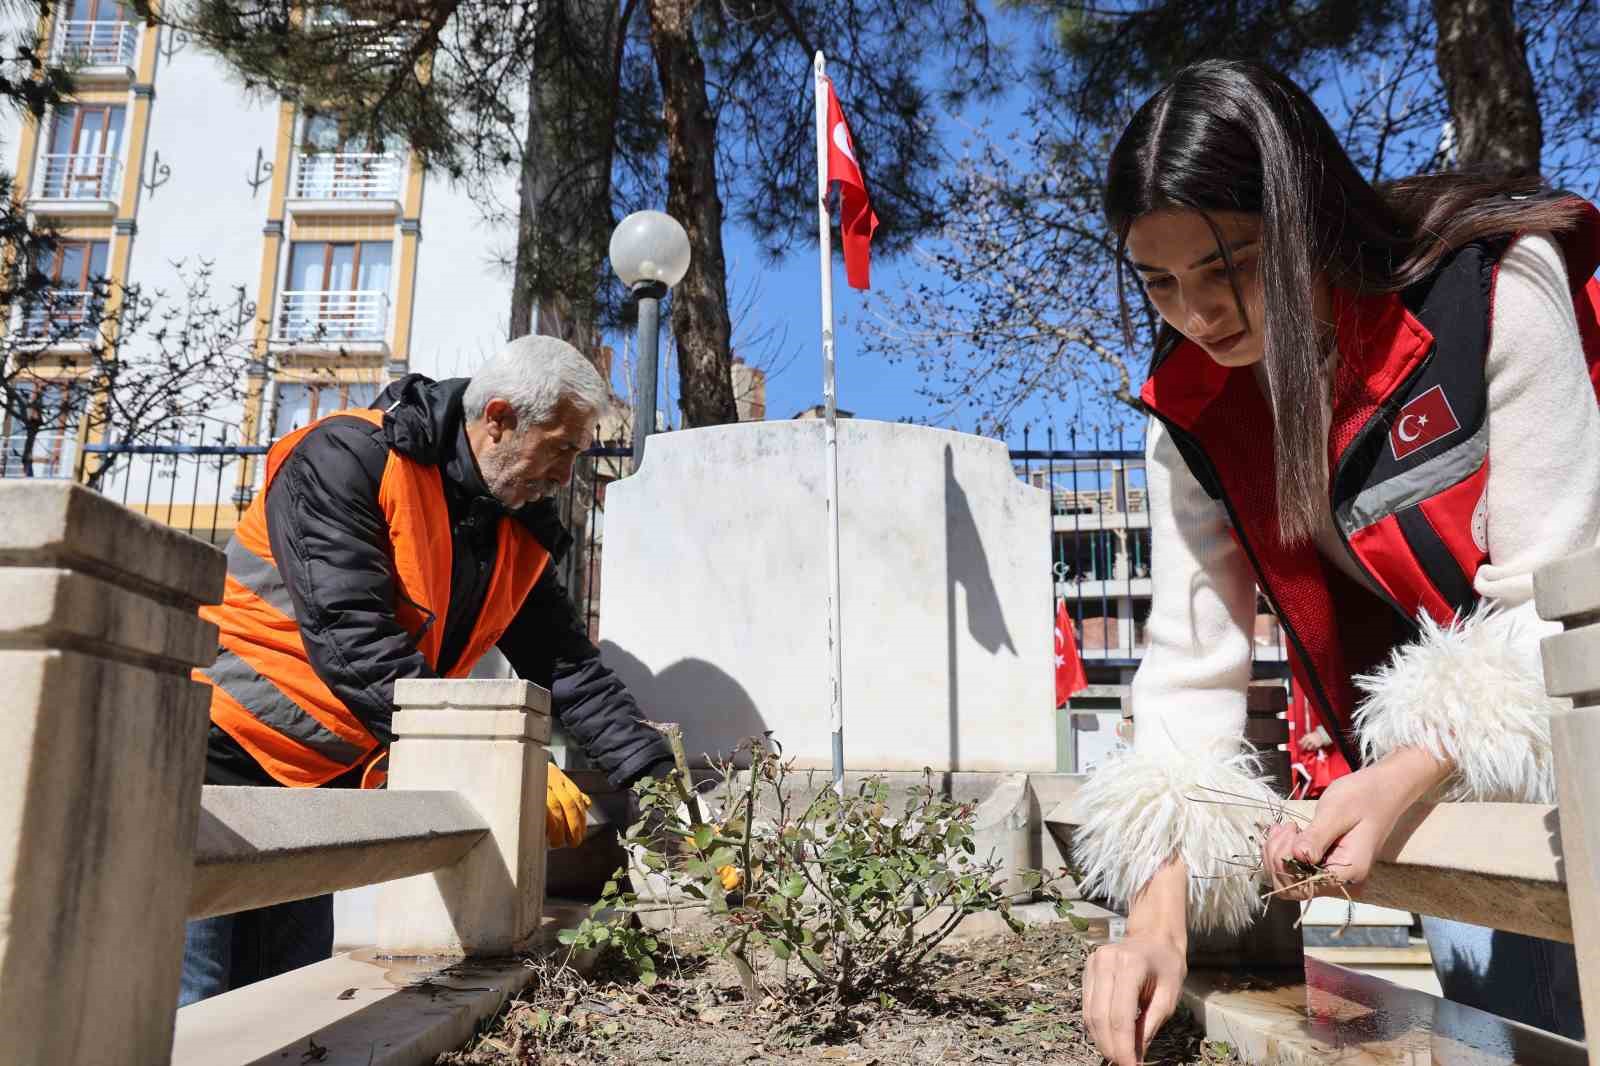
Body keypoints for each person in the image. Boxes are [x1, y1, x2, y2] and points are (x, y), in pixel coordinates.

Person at [1073, 59, 1600, 1064]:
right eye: (1158, 282)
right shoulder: (1192, 414)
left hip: (1568, 697)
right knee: (1521, 1036)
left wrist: (1398, 773)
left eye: (1226, 264)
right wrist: (1148, 925)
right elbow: (1189, 667)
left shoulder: (1494, 288)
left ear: (1304, 212)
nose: (1196, 313)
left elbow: (1558, 597)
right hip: (1471, 776)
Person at [179, 334, 676, 1005]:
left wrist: (665, 789)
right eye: (560, 447)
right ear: (497, 419)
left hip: (313, 791)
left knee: (278, 1006)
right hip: (210, 764)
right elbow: (354, 645)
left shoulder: (512, 531)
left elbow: (570, 670)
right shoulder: (345, 457)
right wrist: (498, 758)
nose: (566, 475)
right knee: (187, 1007)